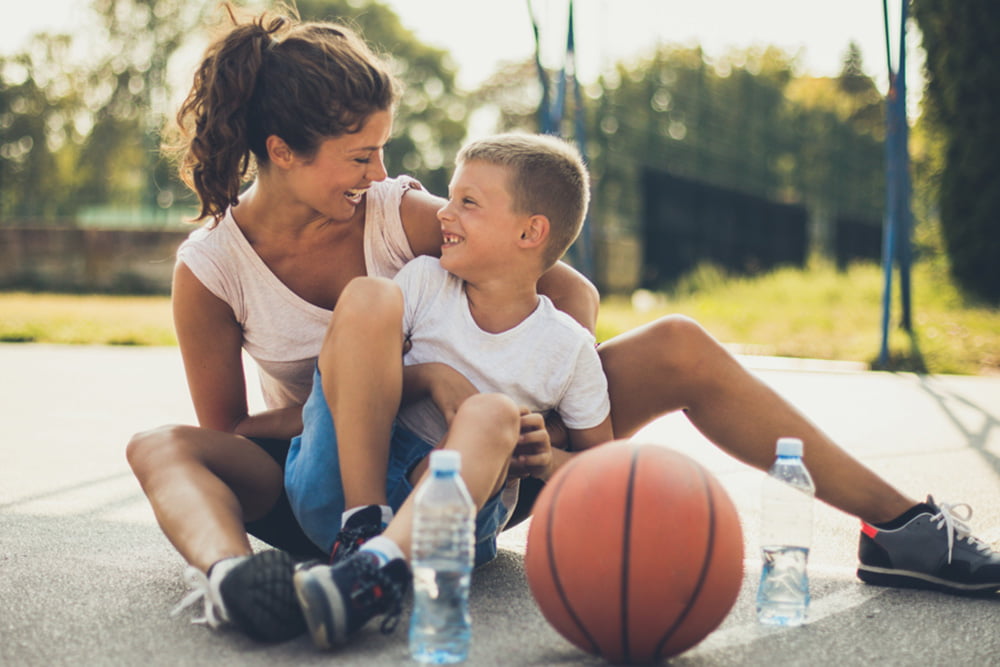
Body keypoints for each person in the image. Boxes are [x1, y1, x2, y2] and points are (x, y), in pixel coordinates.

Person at [125, 3, 999, 646]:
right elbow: (231, 435)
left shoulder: (398, 212)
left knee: (680, 344)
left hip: (478, 455)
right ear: (282, 152)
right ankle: (238, 578)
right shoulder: (212, 268)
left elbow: (561, 290)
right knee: (163, 443)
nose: (382, 170)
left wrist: (518, 398)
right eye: (360, 155)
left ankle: (904, 527)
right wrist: (397, 377)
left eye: (383, 150)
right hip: (330, 479)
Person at [286, 133, 614, 647]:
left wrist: (548, 460)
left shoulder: (569, 348)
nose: (444, 212)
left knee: (494, 413)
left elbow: (605, 474)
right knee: (369, 295)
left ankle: (372, 572)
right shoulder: (421, 281)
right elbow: (356, 381)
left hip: (456, 524)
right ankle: (363, 532)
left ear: (531, 232)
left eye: (468, 202)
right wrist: (431, 378)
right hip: (355, 481)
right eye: (451, 196)